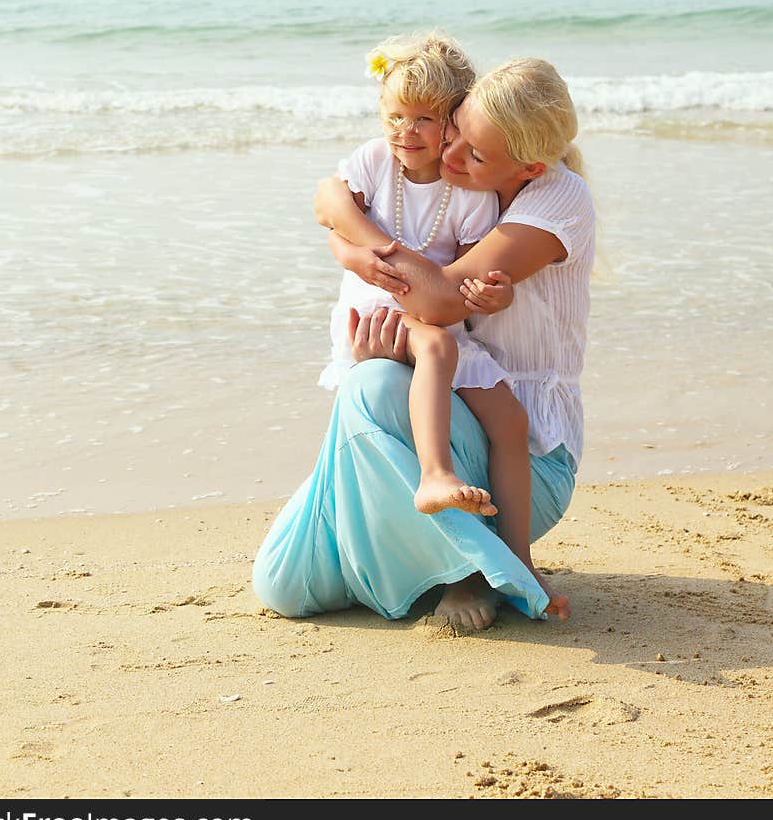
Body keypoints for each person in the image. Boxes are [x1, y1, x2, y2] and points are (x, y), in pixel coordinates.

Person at [253, 55, 594, 631]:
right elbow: (334, 204)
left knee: (377, 381)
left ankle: (478, 569)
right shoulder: (423, 173)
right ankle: (423, 537)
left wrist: (352, 234)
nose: (450, 157)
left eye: (474, 153)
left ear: (530, 166)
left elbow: (437, 301)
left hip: (526, 465)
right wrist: (342, 232)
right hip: (432, 397)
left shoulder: (556, 200)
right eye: (456, 133)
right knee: (284, 585)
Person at [320, 32, 536, 538]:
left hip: (434, 309)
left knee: (510, 422)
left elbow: (467, 278)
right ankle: (435, 475)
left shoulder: (465, 192)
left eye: (423, 119)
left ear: (453, 121)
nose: (406, 131)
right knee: (436, 347)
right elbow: (331, 219)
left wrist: (496, 295)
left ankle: (520, 555)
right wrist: (356, 256)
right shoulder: (374, 161)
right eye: (396, 116)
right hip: (375, 301)